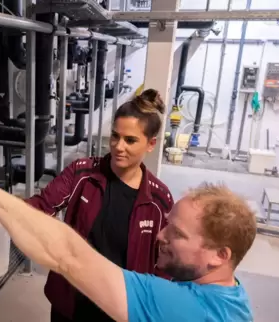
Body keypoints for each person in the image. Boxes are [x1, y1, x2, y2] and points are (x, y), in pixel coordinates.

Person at [0, 168, 256, 322]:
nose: (160, 236)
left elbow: (68, 255)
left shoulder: (185, 309)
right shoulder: (232, 299)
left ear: (220, 255)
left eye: (177, 233)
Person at [25, 89, 174, 321]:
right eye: (115, 136)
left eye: (130, 140)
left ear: (151, 144)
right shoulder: (82, 173)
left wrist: (151, 307)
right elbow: (41, 205)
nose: (118, 146)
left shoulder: (159, 200)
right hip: (74, 299)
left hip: (122, 307)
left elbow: (165, 263)